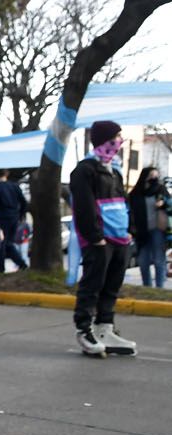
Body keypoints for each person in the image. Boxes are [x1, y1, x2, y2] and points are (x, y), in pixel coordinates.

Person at [70, 121, 137, 356]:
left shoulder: (114, 171)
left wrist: (129, 232)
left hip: (119, 239)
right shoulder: (84, 170)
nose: (118, 142)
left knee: (111, 286)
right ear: (102, 140)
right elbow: (84, 206)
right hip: (99, 240)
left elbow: (123, 204)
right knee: (93, 285)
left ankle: (104, 328)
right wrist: (95, 237)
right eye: (115, 137)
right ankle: (84, 329)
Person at [128, 166, 169, 289]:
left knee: (158, 259)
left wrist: (164, 203)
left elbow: (170, 205)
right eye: (151, 176)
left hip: (158, 229)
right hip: (141, 231)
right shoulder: (135, 194)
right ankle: (147, 286)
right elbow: (130, 212)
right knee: (143, 261)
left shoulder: (161, 190)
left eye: (156, 176)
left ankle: (159, 287)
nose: (154, 179)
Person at [0, 169, 29, 272]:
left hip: (2, 218)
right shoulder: (14, 186)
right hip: (14, 218)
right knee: (9, 243)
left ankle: (0, 269)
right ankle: (22, 264)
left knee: (0, 243)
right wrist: (21, 215)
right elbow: (23, 202)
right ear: (6, 174)